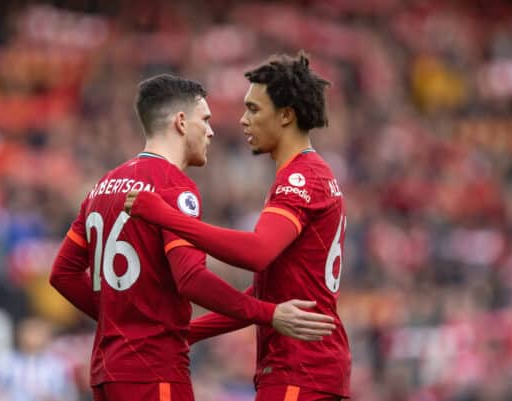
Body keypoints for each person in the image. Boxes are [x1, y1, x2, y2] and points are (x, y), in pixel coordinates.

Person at [49, 74, 336, 401]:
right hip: (155, 371)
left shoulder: (103, 187)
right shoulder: (174, 186)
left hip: (106, 370)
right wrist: (267, 314)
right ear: (181, 122)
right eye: (206, 120)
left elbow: (63, 274)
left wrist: (120, 319)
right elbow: (191, 279)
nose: (211, 131)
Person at [124, 53, 351, 401]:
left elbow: (256, 253)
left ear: (287, 115)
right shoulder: (309, 174)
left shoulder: (301, 177)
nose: (243, 120)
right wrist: (188, 332)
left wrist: (165, 216)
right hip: (306, 369)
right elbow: (266, 294)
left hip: (299, 370)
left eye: (254, 109)